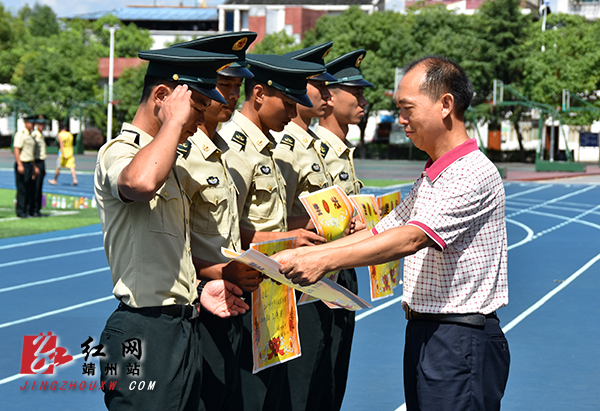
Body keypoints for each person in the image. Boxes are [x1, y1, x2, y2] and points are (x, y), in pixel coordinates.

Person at [276, 56, 510, 411]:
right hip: (429, 333)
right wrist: (301, 256)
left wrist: (322, 260)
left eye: (407, 109)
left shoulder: (469, 173)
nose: (401, 120)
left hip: (458, 338)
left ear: (446, 105)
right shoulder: (435, 173)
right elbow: (383, 229)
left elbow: (411, 237)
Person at [94, 46, 249, 411]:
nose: (198, 123)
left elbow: (168, 251)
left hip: (183, 327)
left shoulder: (172, 161)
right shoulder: (120, 151)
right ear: (163, 97)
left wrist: (196, 288)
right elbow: (141, 182)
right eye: (195, 109)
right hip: (143, 332)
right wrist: (175, 122)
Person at [220, 53, 327, 410]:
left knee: (276, 396)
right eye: (287, 101)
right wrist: (288, 240)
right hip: (246, 288)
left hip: (274, 289)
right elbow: (228, 233)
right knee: (252, 397)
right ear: (260, 94)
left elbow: (272, 221)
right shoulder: (236, 148)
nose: (292, 111)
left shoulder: (266, 145)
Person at [171, 31, 261, 411]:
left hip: (232, 299)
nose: (232, 96)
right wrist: (218, 274)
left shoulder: (223, 152)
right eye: (223, 85)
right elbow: (173, 243)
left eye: (237, 85)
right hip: (200, 305)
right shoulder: (181, 156)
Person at [271, 42, 338, 411]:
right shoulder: (286, 146)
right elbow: (277, 219)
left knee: (322, 380)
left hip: (321, 270)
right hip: (295, 275)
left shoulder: (312, 143)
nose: (326, 95)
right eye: (319, 86)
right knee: (297, 386)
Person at [314, 48, 374, 410]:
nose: (364, 101)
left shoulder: (341, 150)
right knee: (316, 377)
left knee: (334, 375)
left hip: (342, 271)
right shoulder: (315, 149)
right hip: (318, 274)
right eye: (357, 93)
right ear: (331, 96)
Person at [13, 115, 39, 218]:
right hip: (23, 163)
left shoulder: (31, 135)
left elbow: (31, 153)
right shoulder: (21, 134)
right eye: (31, 123)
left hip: (30, 164)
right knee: (22, 188)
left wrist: (34, 166)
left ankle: (28, 210)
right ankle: (21, 211)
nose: (33, 125)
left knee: (30, 188)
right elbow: (16, 149)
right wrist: (19, 164)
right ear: (25, 123)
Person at [31, 114, 48, 217]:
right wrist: (35, 166)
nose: (42, 126)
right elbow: (32, 151)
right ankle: (34, 209)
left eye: (43, 124)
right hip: (36, 161)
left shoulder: (41, 135)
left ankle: (37, 209)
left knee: (39, 186)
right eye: (40, 124)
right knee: (35, 187)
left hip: (41, 162)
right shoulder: (35, 135)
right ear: (36, 124)